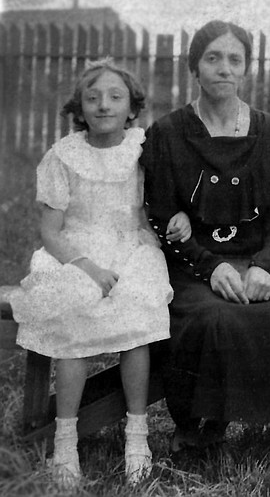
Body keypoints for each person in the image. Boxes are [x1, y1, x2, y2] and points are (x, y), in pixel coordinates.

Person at [9, 59, 178, 487]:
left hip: (131, 247)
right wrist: (87, 267)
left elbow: (162, 203)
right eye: (93, 97)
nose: (104, 105)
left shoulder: (144, 147)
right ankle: (65, 440)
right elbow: (50, 232)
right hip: (75, 252)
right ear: (79, 108)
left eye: (115, 97)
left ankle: (136, 435)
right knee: (76, 305)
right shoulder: (63, 155)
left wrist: (179, 221)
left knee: (136, 310)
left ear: (132, 106)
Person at [140, 20, 270, 454]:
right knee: (209, 316)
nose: (224, 68)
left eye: (235, 59)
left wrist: (268, 266)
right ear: (195, 67)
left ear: (247, 68)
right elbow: (159, 213)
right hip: (193, 263)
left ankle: (238, 421)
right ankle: (194, 424)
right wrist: (211, 267)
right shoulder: (167, 133)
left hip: (257, 262)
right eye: (213, 58)